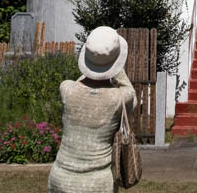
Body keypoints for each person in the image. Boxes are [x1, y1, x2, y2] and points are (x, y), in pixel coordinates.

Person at [48, 26, 136, 193]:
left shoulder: (66, 88)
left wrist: (95, 67)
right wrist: (114, 68)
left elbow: (82, 82)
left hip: (60, 178)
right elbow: (131, 95)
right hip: (97, 184)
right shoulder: (119, 97)